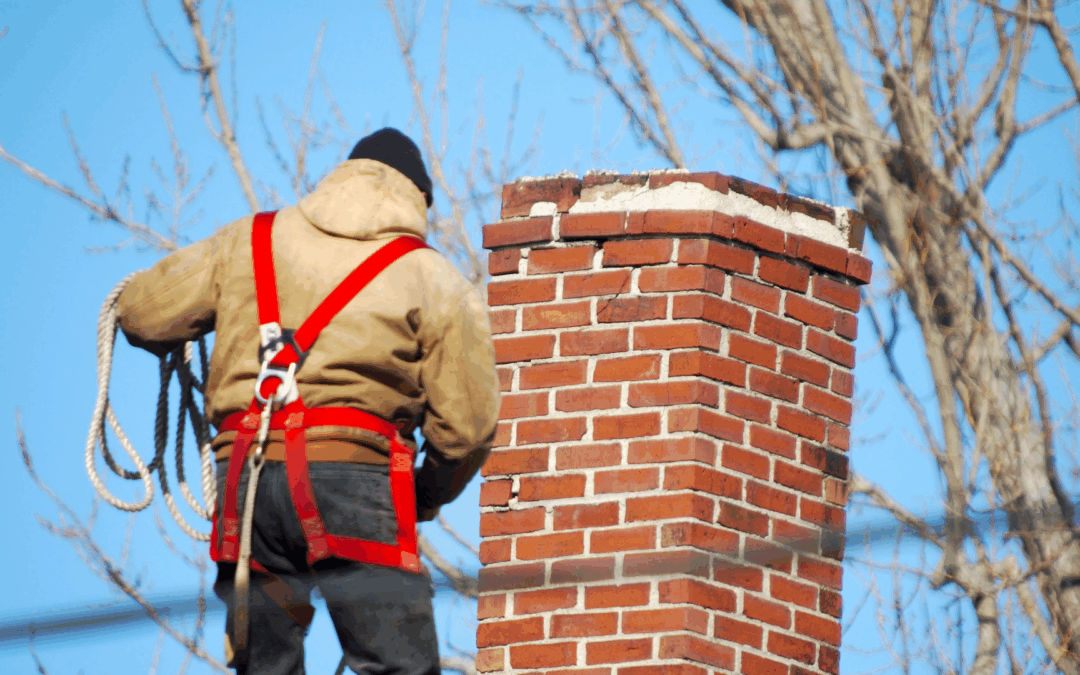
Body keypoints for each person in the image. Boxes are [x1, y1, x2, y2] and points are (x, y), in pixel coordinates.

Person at [117, 128, 500, 675]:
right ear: (418, 199)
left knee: (265, 667)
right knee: (398, 666)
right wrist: (424, 497)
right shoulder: (431, 275)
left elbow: (142, 312)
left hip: (247, 482)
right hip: (355, 479)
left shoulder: (246, 241)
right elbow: (467, 428)